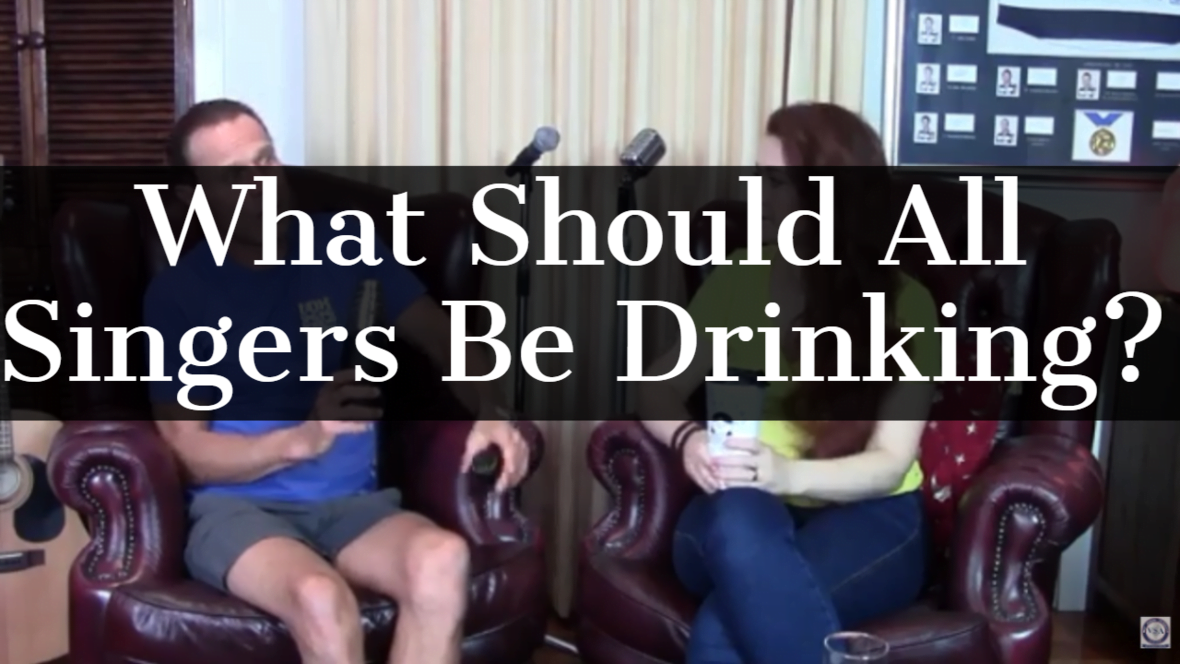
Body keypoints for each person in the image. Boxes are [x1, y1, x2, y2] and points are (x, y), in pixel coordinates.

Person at [145, 99, 531, 664]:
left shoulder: (344, 245)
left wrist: (492, 414)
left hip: (353, 505)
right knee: (320, 597)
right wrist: (300, 440)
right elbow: (186, 452)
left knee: (442, 560)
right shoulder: (179, 292)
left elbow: (448, 342)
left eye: (266, 160)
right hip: (239, 510)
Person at [636, 102, 938, 664]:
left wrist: (788, 474)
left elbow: (891, 462)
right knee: (740, 530)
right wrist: (688, 438)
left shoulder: (907, 305)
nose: (758, 194)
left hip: (871, 518)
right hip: (737, 511)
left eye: (776, 182)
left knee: (725, 626)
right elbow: (655, 386)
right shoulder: (739, 278)